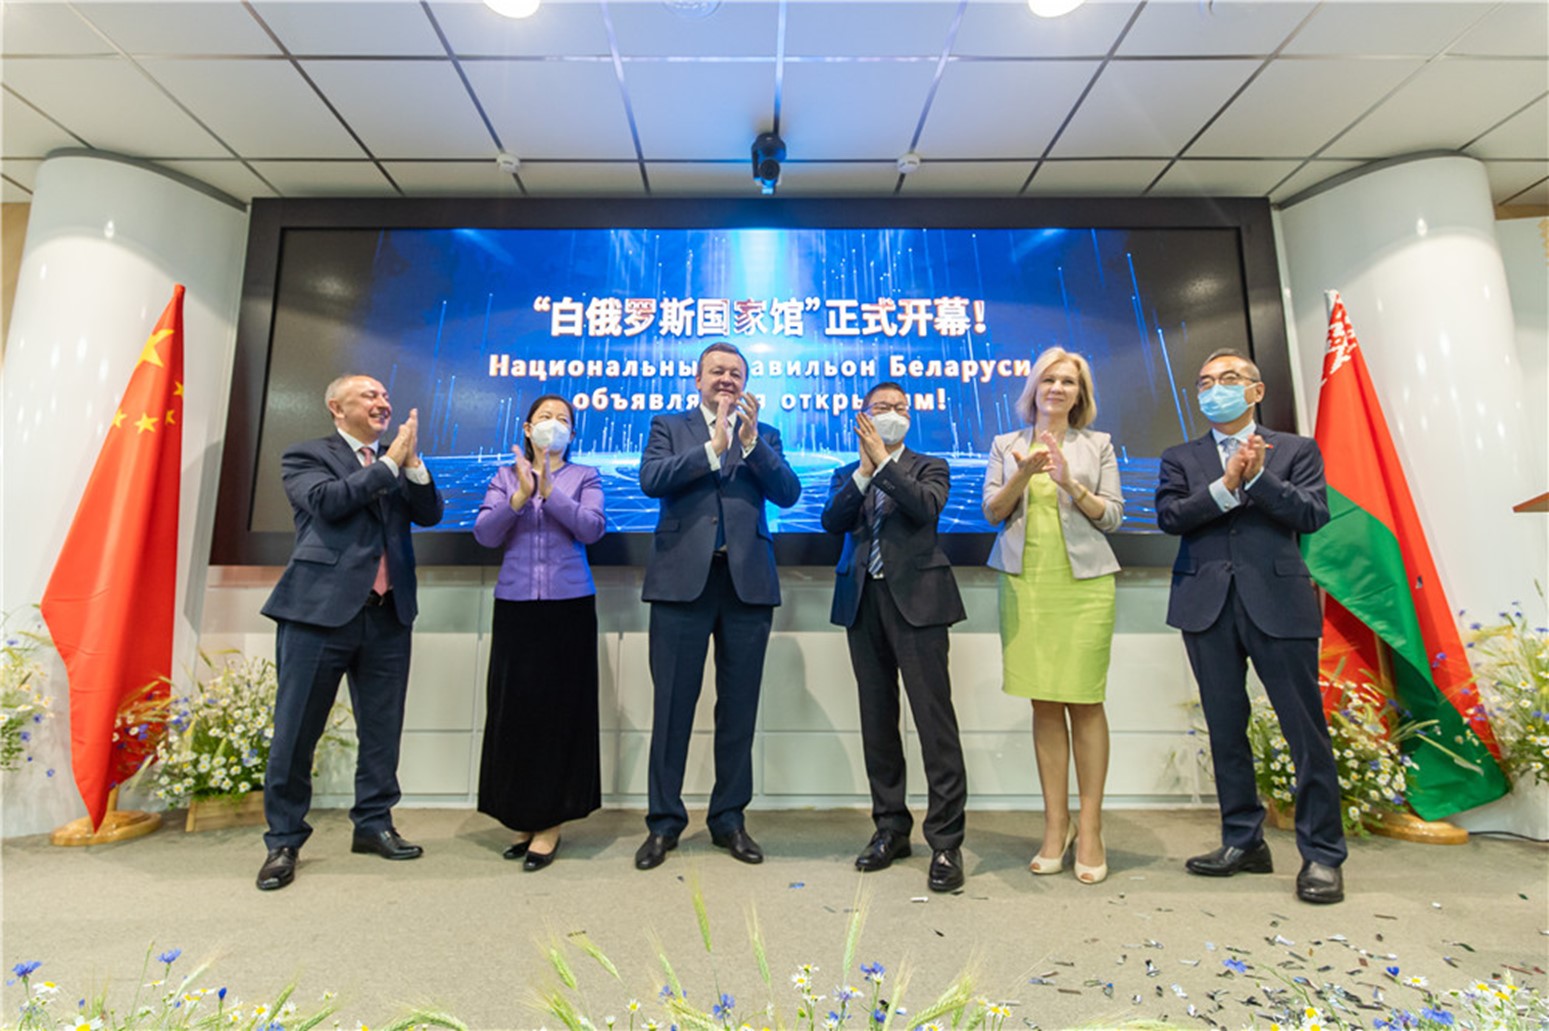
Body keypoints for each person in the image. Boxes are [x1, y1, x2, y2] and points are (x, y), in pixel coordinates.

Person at [1155, 348, 1345, 905]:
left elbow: (1312, 514)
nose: (1216, 388)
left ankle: (1322, 854)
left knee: (1304, 731)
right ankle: (1243, 841)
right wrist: (1223, 486)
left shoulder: (1297, 450)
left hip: (1279, 603)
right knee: (1225, 729)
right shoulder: (1180, 457)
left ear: (1256, 391)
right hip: (1206, 604)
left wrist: (1258, 478)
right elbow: (1171, 517)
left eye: (1229, 378)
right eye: (1205, 381)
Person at [257, 374, 445, 891]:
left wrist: (413, 465)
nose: (383, 402)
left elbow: (430, 514)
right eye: (369, 395)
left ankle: (374, 824)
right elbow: (330, 503)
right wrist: (389, 464)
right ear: (337, 408)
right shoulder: (306, 456)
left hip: (388, 614)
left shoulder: (397, 461)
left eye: (385, 395)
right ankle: (284, 840)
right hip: (318, 613)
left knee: (382, 729)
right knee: (297, 731)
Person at [634, 342, 803, 870]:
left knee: (738, 710)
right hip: (680, 585)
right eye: (717, 371)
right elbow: (651, 480)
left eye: (735, 373)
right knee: (672, 709)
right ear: (698, 378)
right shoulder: (669, 426)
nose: (726, 379)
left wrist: (749, 445)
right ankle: (664, 823)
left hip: (746, 586)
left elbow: (789, 493)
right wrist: (712, 448)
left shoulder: (763, 433)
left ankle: (729, 819)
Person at [982, 348, 1123, 885]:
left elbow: (1112, 516)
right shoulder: (1006, 445)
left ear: (1080, 394)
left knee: (1085, 700)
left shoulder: (1098, 444)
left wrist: (1069, 482)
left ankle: (1091, 828)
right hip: (1027, 585)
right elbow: (993, 511)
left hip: (1084, 587)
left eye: (1068, 381)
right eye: (1049, 380)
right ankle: (1055, 826)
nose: (1057, 388)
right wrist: (1023, 476)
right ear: (1034, 389)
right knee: (1043, 701)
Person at [821, 382, 968, 893]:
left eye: (899, 408)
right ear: (862, 415)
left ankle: (945, 841)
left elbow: (925, 507)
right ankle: (890, 828)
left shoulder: (930, 466)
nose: (891, 414)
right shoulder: (848, 471)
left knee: (934, 722)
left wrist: (884, 462)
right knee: (877, 721)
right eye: (881, 407)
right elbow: (832, 520)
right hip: (863, 601)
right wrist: (865, 471)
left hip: (920, 603)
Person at [472, 394, 606, 871]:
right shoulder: (505, 476)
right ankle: (522, 815)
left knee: (560, 715)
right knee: (516, 713)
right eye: (546, 418)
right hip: (516, 607)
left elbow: (592, 529)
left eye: (563, 419)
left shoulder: (584, 475)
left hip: (569, 607)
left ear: (573, 432)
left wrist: (550, 491)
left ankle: (551, 822)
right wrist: (519, 497)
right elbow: (485, 534)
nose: (554, 425)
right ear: (527, 428)